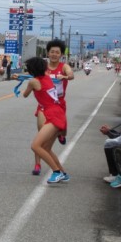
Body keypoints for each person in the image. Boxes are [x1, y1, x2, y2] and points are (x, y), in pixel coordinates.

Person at [13, 39, 74, 175]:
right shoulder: (44, 69)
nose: (54, 54)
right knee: (41, 140)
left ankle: (58, 171)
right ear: (47, 53)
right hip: (43, 107)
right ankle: (38, 164)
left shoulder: (63, 67)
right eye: (52, 51)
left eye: (57, 52)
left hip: (58, 105)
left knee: (41, 143)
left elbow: (71, 75)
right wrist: (22, 76)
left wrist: (64, 76)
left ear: (61, 55)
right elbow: (34, 75)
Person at [22, 56, 69, 184]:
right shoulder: (47, 76)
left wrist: (26, 83)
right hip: (58, 112)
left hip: (52, 114)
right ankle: (62, 172)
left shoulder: (33, 82)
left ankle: (56, 172)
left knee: (35, 146)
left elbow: (25, 94)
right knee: (46, 148)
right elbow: (37, 80)